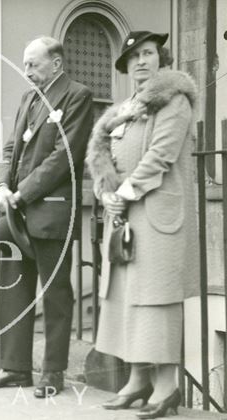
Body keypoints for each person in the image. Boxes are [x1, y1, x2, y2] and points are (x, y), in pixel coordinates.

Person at [86, 31, 198, 419]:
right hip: (125, 215)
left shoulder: (174, 100)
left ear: (160, 58)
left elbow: (161, 154)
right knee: (127, 298)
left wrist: (126, 192)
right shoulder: (124, 109)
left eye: (148, 54)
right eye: (133, 57)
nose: (141, 62)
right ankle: (137, 381)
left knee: (156, 299)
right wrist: (106, 192)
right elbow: (104, 155)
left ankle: (166, 389)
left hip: (157, 213)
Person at [0, 36, 93, 397]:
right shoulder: (28, 98)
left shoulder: (77, 95)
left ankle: (53, 373)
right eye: (25, 65)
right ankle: (14, 368)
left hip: (50, 211)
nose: (26, 72)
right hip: (14, 213)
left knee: (56, 295)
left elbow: (64, 157)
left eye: (33, 65)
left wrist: (21, 193)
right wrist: (0, 188)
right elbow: (11, 147)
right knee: (11, 290)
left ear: (55, 63)